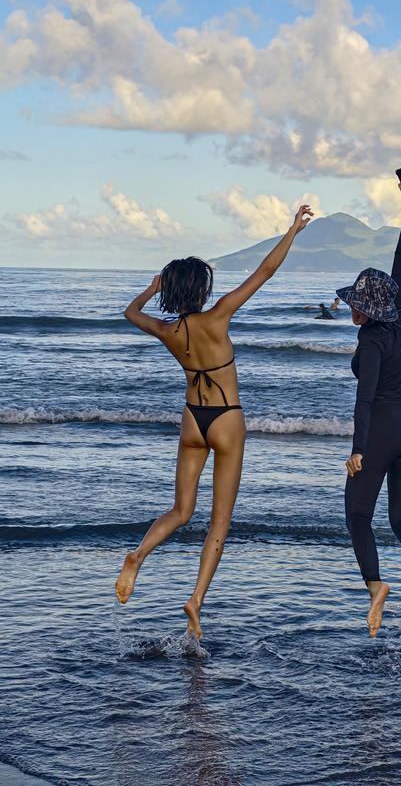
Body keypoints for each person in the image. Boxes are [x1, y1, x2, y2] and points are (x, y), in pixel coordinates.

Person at [115, 204, 314, 638]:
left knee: (181, 511)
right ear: (201, 291)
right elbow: (265, 271)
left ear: (173, 291)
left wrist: (151, 288)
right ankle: (196, 600)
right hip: (226, 420)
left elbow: (130, 313)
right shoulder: (219, 315)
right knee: (219, 521)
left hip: (192, 421)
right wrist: (292, 230)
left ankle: (138, 556)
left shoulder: (168, 332)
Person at [336, 170, 401, 638]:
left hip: (380, 430)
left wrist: (358, 449)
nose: (351, 307)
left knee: (359, 514)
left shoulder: (372, 340)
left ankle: (376, 586)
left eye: (356, 301)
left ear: (366, 308)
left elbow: (364, 398)